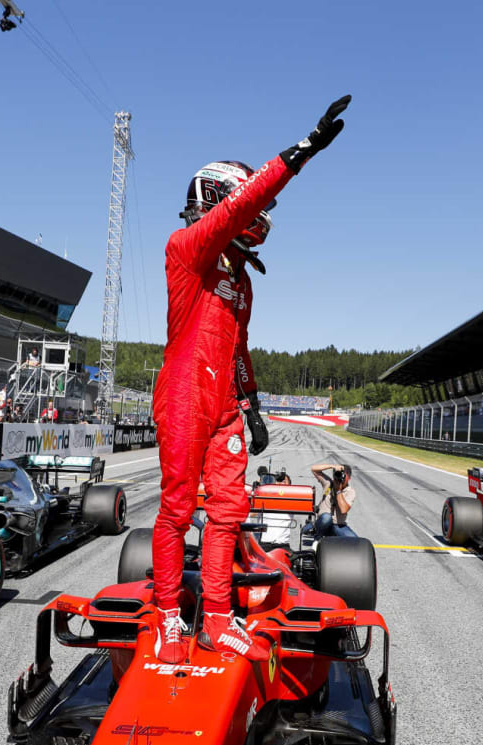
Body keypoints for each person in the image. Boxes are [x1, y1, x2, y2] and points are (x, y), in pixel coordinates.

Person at [150, 95, 352, 664]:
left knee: (230, 511)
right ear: (218, 199)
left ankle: (215, 617)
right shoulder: (185, 249)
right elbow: (242, 210)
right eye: (244, 202)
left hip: (223, 401)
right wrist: (299, 155)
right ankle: (168, 613)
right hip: (186, 391)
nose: (259, 215)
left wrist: (253, 404)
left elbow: (237, 347)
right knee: (176, 508)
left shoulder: (241, 279)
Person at [311, 462, 357, 536]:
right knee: (327, 517)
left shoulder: (350, 491)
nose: (339, 478)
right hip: (323, 522)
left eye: (342, 475)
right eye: (337, 474)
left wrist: (338, 490)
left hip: (338, 525)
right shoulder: (328, 483)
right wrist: (332, 466)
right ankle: (317, 538)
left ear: (349, 477)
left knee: (354, 540)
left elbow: (344, 509)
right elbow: (314, 469)